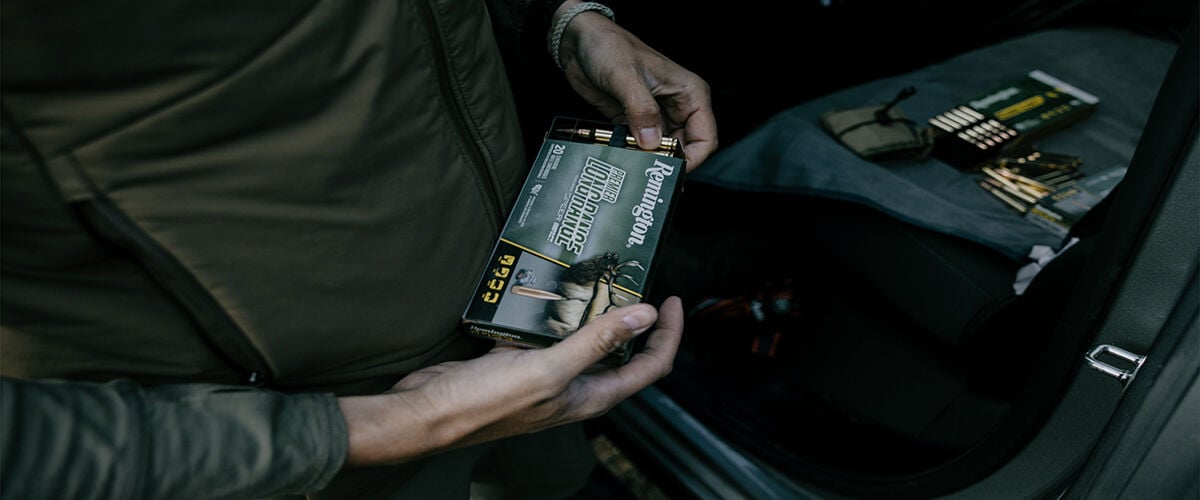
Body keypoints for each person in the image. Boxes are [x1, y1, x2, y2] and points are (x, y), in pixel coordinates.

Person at [0, 1, 717, 498]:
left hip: (508, 312)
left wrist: (560, 19)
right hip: (282, 438)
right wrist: (391, 427)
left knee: (545, 475)